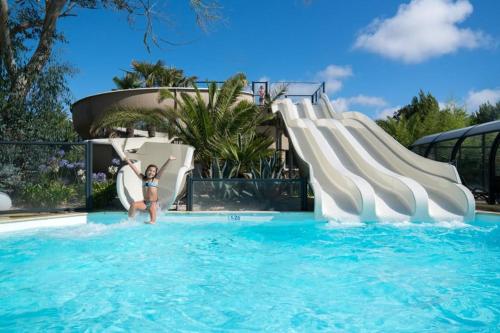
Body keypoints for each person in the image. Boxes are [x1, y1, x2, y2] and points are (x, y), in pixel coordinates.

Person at [124, 155, 176, 224]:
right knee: (133, 204)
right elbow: (135, 170)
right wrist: (128, 161)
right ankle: (130, 220)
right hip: (144, 203)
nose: (151, 172)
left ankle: (150, 222)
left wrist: (169, 159)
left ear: (155, 173)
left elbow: (163, 169)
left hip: (153, 204)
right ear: (146, 171)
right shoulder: (143, 178)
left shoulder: (155, 180)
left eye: (153, 171)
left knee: (152, 222)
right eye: (150, 170)